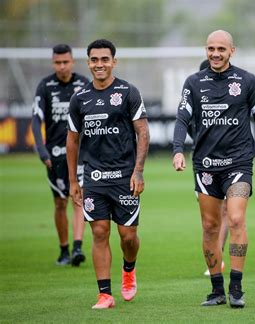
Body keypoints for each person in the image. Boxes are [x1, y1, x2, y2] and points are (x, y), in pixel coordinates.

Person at [173, 30, 255, 308]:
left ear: (232, 51)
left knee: (237, 219)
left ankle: (236, 287)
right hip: (205, 165)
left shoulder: (247, 81)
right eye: (210, 49)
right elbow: (182, 118)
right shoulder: (193, 82)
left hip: (238, 163)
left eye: (220, 49)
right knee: (209, 226)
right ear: (206, 50)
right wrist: (177, 149)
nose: (215, 54)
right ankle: (216, 290)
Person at [66, 39, 150, 309]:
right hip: (94, 179)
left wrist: (138, 171)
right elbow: (72, 141)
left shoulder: (128, 92)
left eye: (104, 59)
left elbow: (143, 132)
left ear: (114, 61)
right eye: (94, 59)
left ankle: (128, 269)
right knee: (100, 232)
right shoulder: (79, 99)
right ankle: (105, 294)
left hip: (125, 178)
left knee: (127, 236)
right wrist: (73, 181)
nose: (99, 64)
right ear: (88, 62)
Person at [32, 44, 89, 266]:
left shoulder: (83, 84)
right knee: (59, 203)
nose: (62, 66)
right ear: (53, 63)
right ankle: (64, 250)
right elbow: (36, 120)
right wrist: (41, 149)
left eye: (66, 62)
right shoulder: (45, 86)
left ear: (72, 62)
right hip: (54, 155)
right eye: (58, 62)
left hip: (81, 153)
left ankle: (77, 248)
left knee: (78, 199)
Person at [197, 59, 228, 277]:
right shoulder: (195, 100)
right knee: (210, 219)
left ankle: (221, 254)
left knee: (228, 212)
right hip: (205, 166)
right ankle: (215, 253)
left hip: (231, 163)